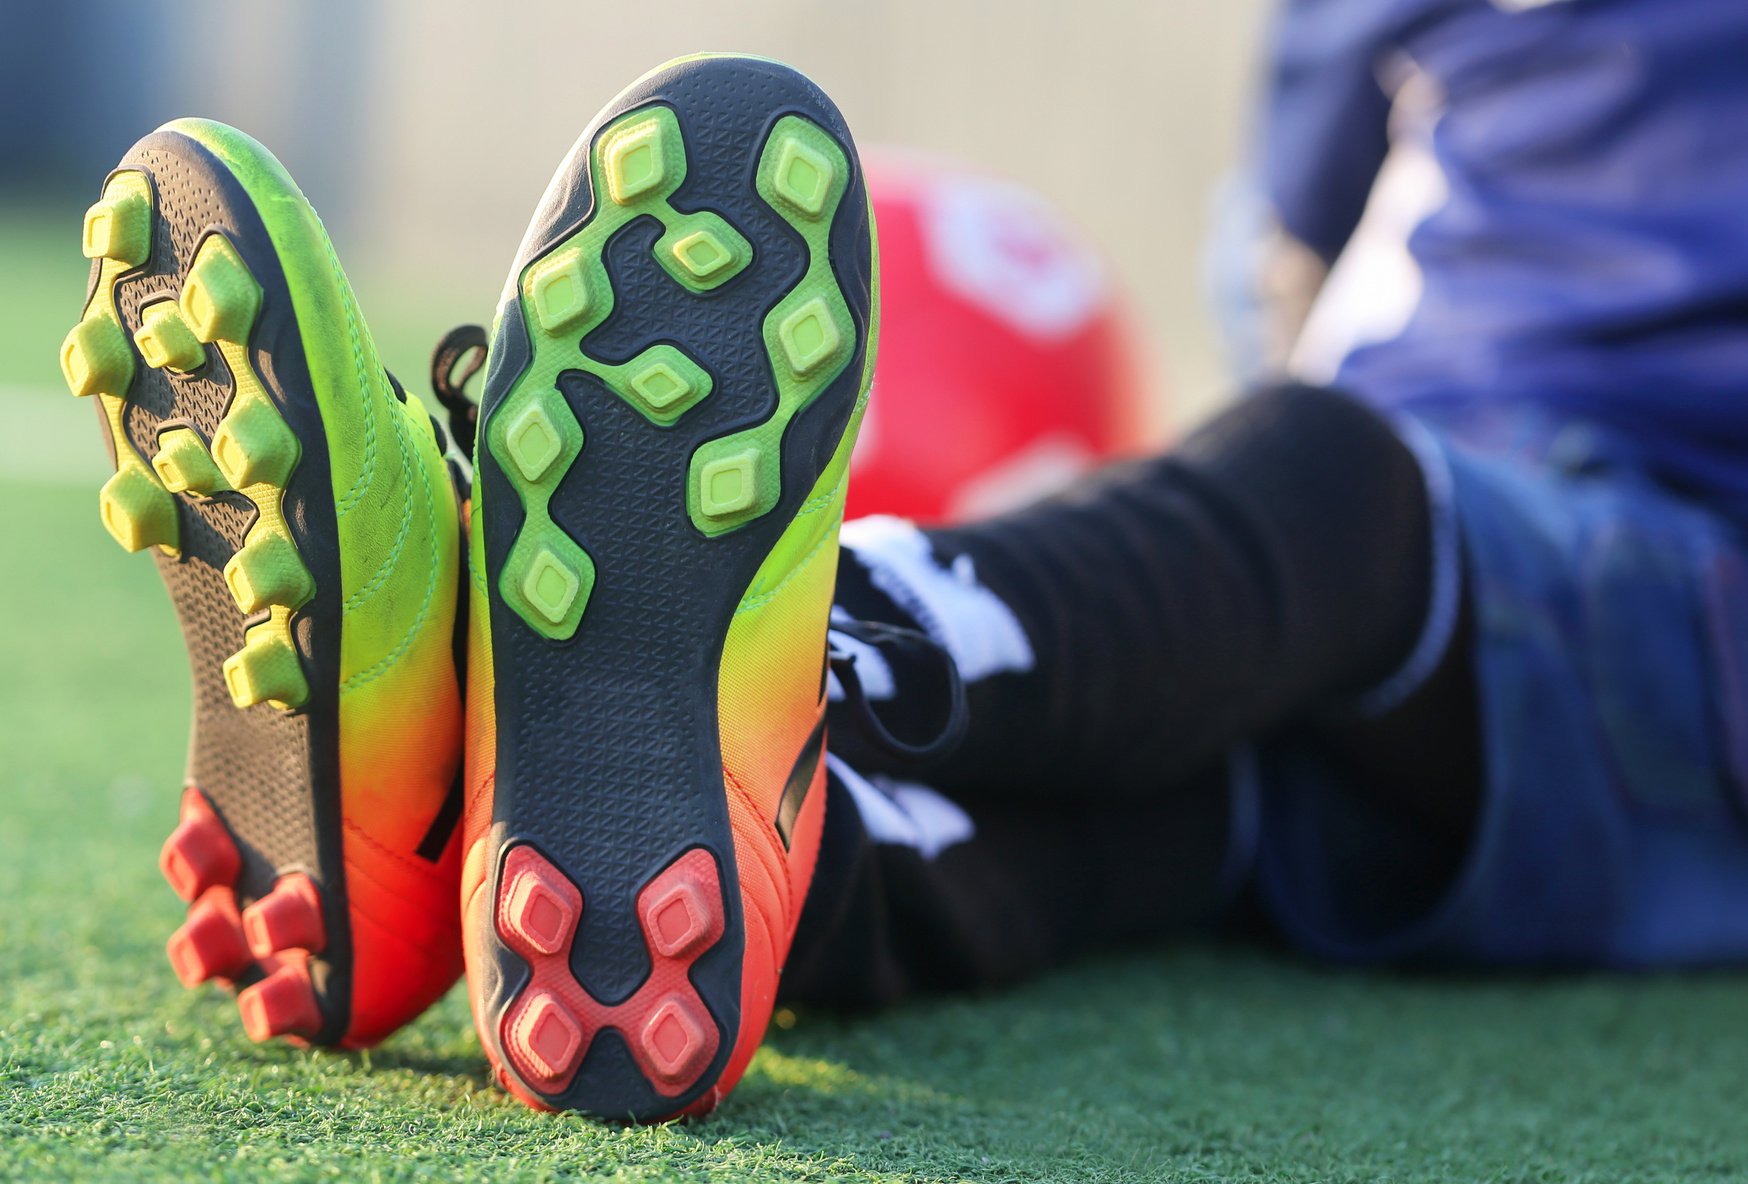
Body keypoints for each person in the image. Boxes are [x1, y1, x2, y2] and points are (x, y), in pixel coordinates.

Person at [61, 6, 1748, 1120]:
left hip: (1653, 577)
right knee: (1158, 817)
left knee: (1331, 495)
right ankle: (708, 858)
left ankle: (714, 681)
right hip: (1440, 633)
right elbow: (1293, 240)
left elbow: (1297, 252)